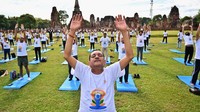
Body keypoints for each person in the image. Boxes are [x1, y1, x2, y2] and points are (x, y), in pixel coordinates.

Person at [64, 14, 133, 112]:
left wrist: (124, 32)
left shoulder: (111, 71)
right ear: (89, 62)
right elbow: (67, 55)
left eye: (100, 55)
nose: (96, 56)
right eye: (93, 56)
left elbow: (129, 56)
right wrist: (72, 31)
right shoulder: (83, 71)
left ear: (105, 61)